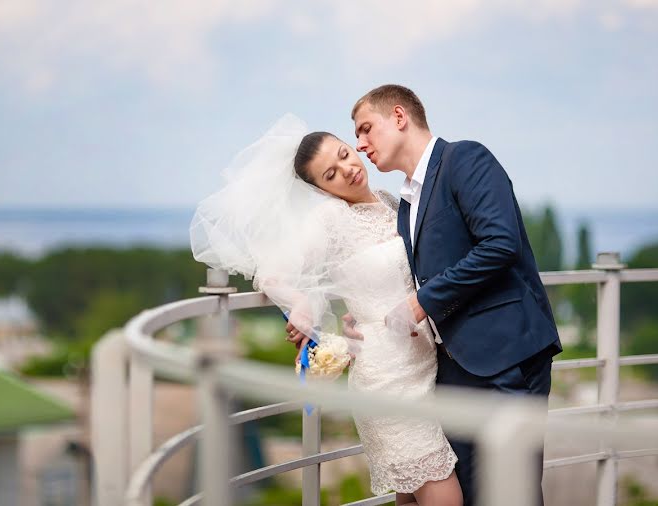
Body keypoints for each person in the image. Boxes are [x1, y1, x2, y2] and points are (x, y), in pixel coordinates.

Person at [191, 115, 463, 506]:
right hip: (387, 379)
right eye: (331, 174)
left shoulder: (389, 203)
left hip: (423, 368)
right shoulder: (329, 221)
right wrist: (301, 305)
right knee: (444, 496)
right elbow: (273, 273)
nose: (348, 170)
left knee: (412, 497)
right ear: (321, 189)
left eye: (345, 155)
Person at [339, 84, 563, 506]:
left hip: (506, 359)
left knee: (513, 494)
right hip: (451, 371)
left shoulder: (465, 158)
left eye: (367, 129)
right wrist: (358, 318)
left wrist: (422, 303)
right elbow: (407, 278)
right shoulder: (405, 203)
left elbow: (500, 244)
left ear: (400, 117)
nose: (360, 144)